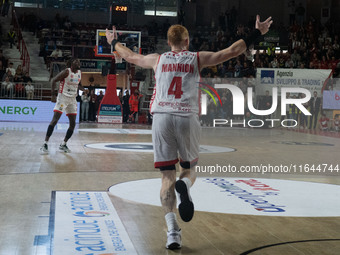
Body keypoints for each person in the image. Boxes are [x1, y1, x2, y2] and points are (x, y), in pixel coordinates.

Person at [106, 15, 272, 250]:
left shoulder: (157, 59)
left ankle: (173, 232)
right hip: (186, 117)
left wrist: (113, 42)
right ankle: (186, 185)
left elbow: (130, 56)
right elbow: (232, 51)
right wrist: (257, 33)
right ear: (186, 40)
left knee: (166, 177)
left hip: (161, 118)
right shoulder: (196, 58)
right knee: (189, 169)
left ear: (168, 41)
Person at [40, 58, 83, 154]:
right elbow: (54, 80)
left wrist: (84, 90)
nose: (78, 63)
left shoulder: (79, 73)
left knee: (73, 124)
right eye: (76, 61)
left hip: (72, 99)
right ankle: (45, 143)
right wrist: (53, 95)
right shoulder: (66, 72)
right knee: (55, 120)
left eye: (79, 62)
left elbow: (79, 85)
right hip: (63, 98)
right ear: (72, 63)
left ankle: (63, 144)